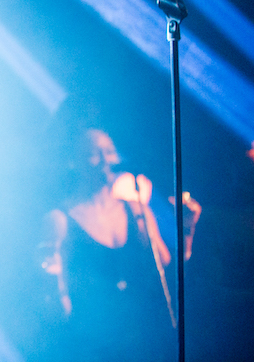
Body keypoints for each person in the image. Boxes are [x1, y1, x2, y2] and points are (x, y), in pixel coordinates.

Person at [38, 128, 202, 361]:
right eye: (94, 153)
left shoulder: (135, 209)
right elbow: (55, 295)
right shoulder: (61, 219)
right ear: (74, 162)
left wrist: (187, 228)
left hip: (140, 338)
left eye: (110, 152)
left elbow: (166, 268)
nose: (105, 160)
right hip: (92, 343)